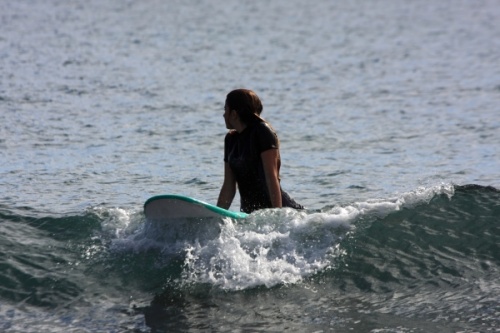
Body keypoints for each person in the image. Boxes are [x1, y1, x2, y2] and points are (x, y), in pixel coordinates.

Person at [216, 89, 304, 213]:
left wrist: (277, 215)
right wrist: (217, 216)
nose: (224, 114)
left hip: (282, 211)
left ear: (234, 113)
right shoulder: (230, 140)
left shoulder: (262, 132)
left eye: (225, 109)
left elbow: (271, 177)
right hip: (251, 214)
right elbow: (228, 186)